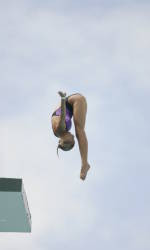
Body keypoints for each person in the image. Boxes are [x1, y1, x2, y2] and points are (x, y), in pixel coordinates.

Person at [51, 91, 90, 180]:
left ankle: (84, 164)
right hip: (72, 103)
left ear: (63, 140)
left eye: (71, 140)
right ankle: (85, 163)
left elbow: (63, 115)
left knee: (79, 132)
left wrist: (63, 99)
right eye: (74, 140)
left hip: (74, 100)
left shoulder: (59, 129)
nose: (73, 137)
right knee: (79, 131)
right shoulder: (61, 132)